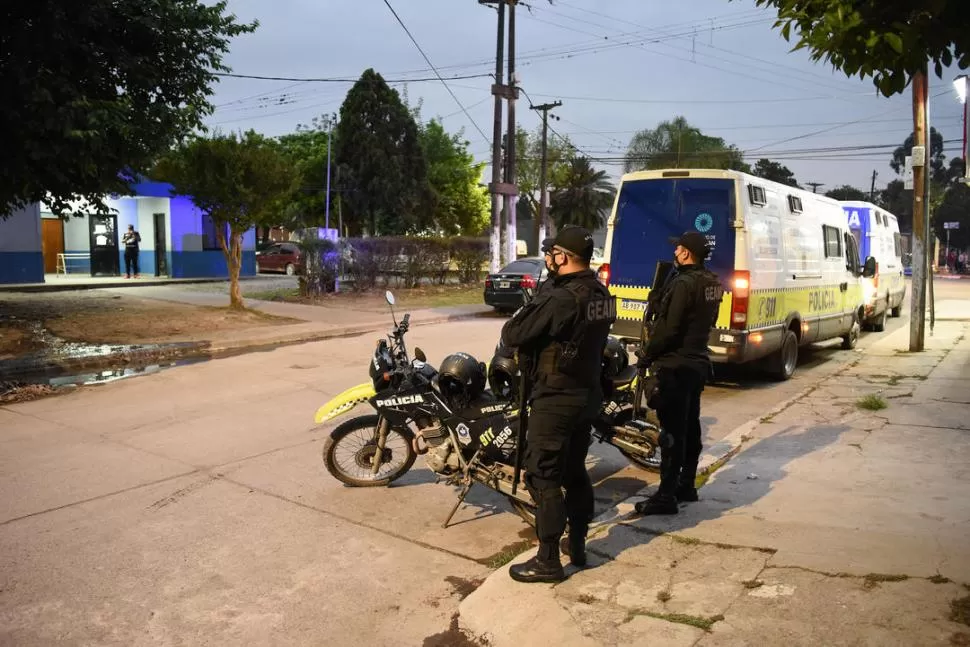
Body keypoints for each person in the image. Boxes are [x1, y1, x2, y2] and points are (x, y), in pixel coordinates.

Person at [499, 225, 616, 583]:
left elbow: (513, 334)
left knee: (543, 477)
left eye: (552, 254)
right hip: (585, 394)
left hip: (557, 397)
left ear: (563, 257)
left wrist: (538, 298)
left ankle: (548, 561)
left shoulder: (561, 298)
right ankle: (577, 544)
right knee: (574, 471)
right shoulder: (598, 291)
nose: (549, 258)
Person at [634, 231, 724, 516]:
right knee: (690, 427)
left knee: (672, 433)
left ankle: (665, 495)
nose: (675, 253)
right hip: (696, 362)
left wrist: (647, 355)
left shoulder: (683, 284)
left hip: (675, 365)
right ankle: (686, 485)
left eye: (678, 249)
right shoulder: (711, 282)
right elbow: (709, 318)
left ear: (686, 253)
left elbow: (669, 329)